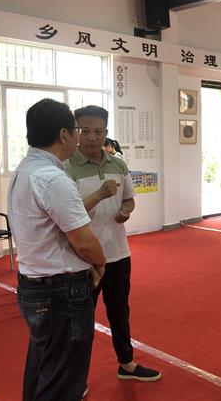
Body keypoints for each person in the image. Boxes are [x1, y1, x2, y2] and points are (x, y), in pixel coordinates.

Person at [8, 98, 106, 401]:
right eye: (78, 130)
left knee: (44, 369)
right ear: (64, 134)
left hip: (35, 283)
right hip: (60, 291)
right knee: (62, 380)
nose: (82, 137)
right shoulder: (52, 178)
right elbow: (83, 240)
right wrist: (101, 263)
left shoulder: (26, 169)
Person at [64, 105, 161, 382]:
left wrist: (125, 211)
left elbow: (129, 199)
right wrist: (99, 194)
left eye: (98, 131)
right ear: (75, 132)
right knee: (81, 320)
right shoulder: (66, 167)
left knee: (120, 313)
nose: (91, 137)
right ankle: (75, 379)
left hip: (118, 254)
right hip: (83, 258)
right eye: (84, 131)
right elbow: (67, 214)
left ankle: (126, 364)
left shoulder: (117, 163)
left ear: (106, 132)